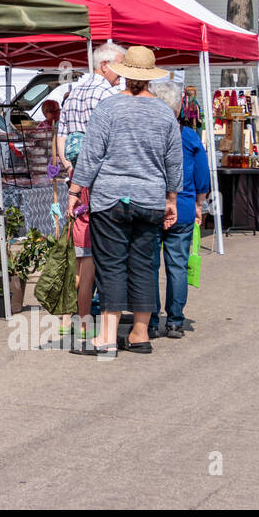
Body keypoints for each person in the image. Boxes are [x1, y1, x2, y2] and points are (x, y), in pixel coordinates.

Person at [67, 47, 181, 358]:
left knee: (112, 266)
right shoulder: (164, 113)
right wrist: (171, 198)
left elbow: (91, 155)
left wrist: (75, 191)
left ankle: (106, 337)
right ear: (149, 78)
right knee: (144, 266)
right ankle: (140, 334)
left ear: (126, 73)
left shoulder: (108, 108)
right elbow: (174, 161)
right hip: (150, 199)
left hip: (110, 199)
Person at [43, 41, 125, 350]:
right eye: (120, 65)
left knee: (79, 252)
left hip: (77, 177)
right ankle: (83, 320)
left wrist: (68, 166)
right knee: (91, 254)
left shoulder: (75, 89)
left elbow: (61, 132)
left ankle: (71, 319)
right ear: (105, 65)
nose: (122, 73)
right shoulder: (106, 93)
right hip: (97, 180)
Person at [148, 80, 210, 338]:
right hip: (183, 207)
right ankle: (175, 320)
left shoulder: (148, 135)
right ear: (177, 109)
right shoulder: (189, 136)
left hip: (151, 205)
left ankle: (150, 319)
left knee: (149, 266)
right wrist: (199, 204)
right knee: (177, 266)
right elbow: (203, 175)